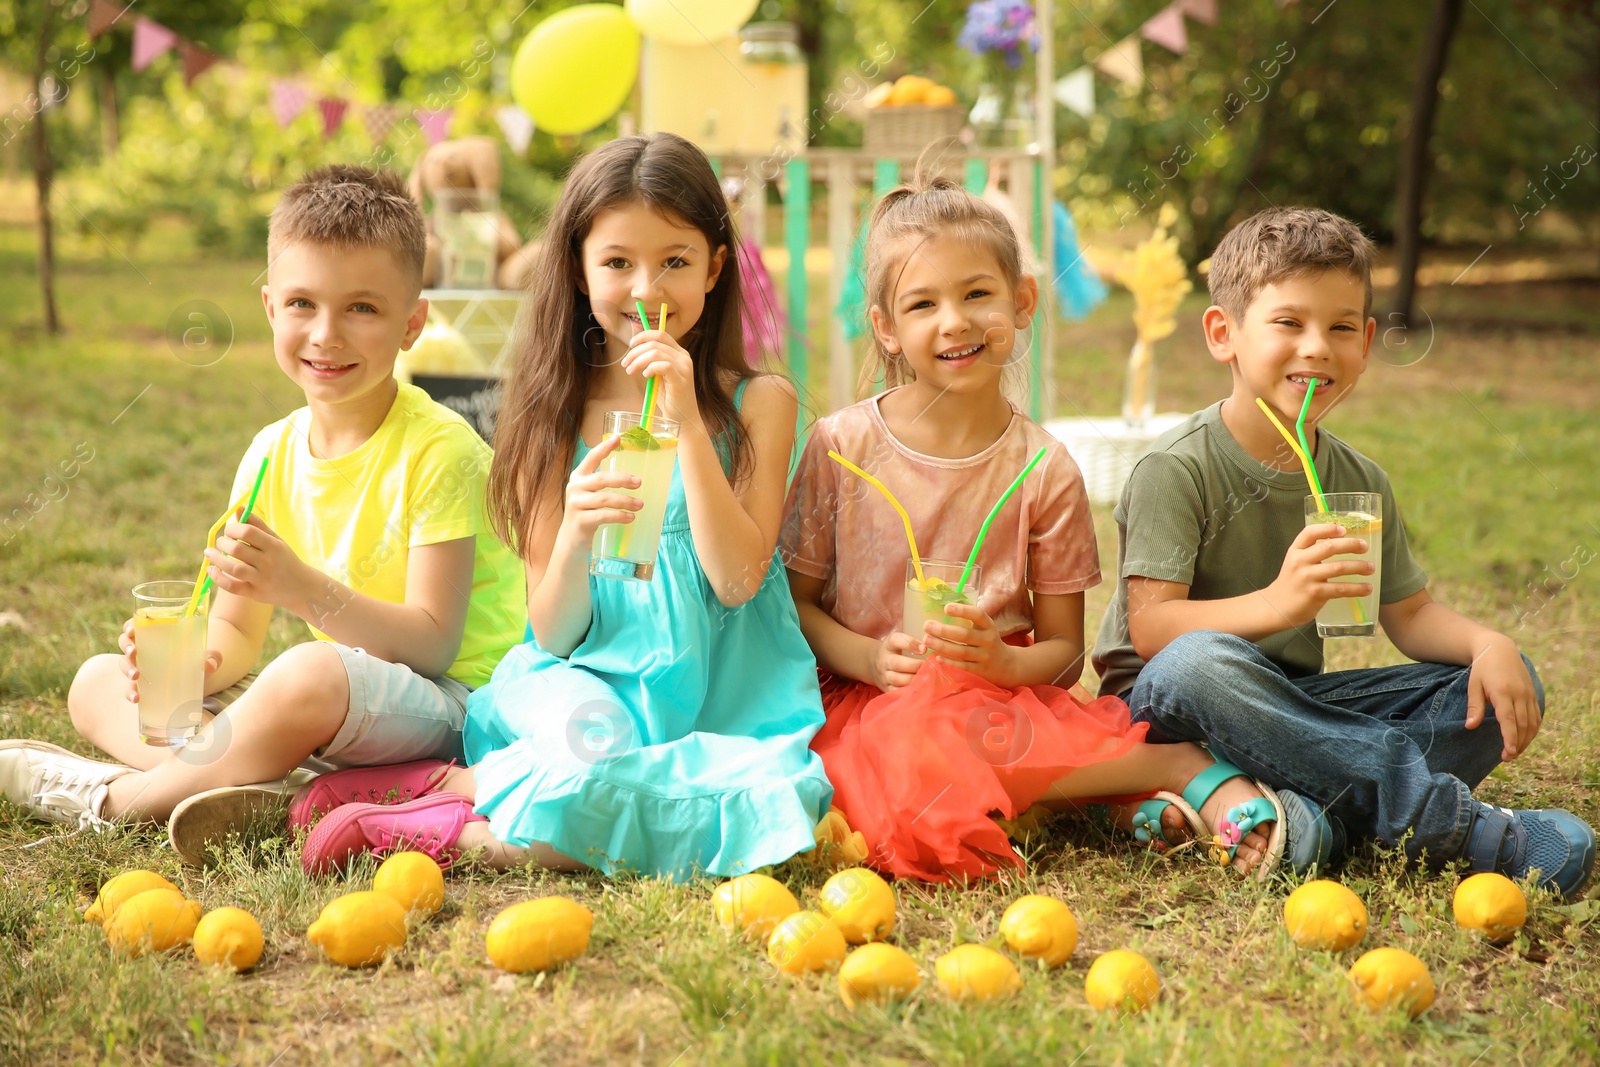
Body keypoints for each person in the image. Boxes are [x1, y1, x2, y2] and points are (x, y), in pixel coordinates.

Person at [290, 133, 833, 880]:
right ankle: (464, 799)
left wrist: (684, 428)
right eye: (616, 263)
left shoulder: (762, 402)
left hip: (724, 702)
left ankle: (445, 805)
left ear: (713, 266)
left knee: (774, 800)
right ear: (579, 270)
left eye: (674, 261)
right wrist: (576, 533)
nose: (647, 290)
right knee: (593, 767)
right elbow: (556, 628)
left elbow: (737, 579)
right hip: (589, 688)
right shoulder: (552, 412)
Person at [778, 175, 1336, 884]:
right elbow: (792, 607)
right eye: (923, 304)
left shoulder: (1042, 467)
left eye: (977, 294)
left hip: (998, 700)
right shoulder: (841, 448)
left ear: (1023, 301)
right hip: (868, 702)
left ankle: (1178, 764)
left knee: (963, 741)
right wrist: (867, 658)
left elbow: (1064, 651)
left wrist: (1002, 664)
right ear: (885, 325)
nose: (955, 321)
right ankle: (1102, 796)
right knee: (895, 769)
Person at [0, 165, 526, 866]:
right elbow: (237, 633)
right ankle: (266, 782)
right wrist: (197, 668)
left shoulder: (444, 452)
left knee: (306, 673)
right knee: (93, 683)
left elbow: (431, 645)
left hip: (455, 707)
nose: (327, 334)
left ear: (412, 324)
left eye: (362, 308)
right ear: (271, 308)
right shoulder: (269, 454)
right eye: (303, 302)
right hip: (343, 702)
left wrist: (303, 589)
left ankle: (118, 800)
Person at [1092, 205, 1594, 897]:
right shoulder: (1176, 469)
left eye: (1338, 328)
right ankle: (1447, 823)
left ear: (1364, 342)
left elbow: (1410, 615)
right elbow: (1152, 633)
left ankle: (1293, 809)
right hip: (1168, 709)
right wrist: (1280, 602)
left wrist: (1487, 641)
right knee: (1201, 660)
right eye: (1288, 323)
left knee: (1493, 689)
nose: (1316, 346)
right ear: (1223, 334)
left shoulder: (1358, 480)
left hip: (1291, 708)